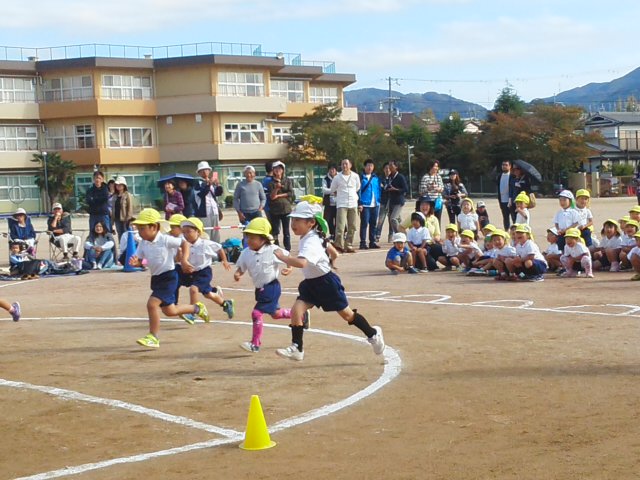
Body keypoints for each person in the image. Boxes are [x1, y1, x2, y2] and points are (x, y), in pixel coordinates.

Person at [272, 201, 386, 361]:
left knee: (347, 315)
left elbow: (302, 263)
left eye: (298, 220)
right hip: (311, 284)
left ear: (311, 222)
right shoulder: (313, 236)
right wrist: (329, 261)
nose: (293, 224)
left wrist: (284, 258)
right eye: (293, 220)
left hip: (326, 284)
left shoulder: (311, 240)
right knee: (297, 310)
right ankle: (297, 348)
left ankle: (373, 334)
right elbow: (334, 253)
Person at [127, 208, 209, 348]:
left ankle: (153, 337)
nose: (139, 231)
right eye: (138, 228)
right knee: (170, 311)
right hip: (156, 279)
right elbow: (141, 261)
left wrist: (183, 260)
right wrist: (137, 263)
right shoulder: (143, 243)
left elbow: (184, 243)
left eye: (142, 228)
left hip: (169, 278)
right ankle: (196, 308)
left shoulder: (165, 239)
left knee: (152, 304)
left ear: (154, 227)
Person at [234, 217, 308, 353]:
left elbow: (288, 257)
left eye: (252, 238)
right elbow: (241, 267)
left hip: (271, 287)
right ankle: (300, 315)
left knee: (256, 313)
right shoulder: (245, 253)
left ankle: (255, 344)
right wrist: (238, 273)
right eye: (247, 237)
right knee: (275, 313)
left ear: (263, 239)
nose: (248, 240)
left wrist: (289, 267)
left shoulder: (272, 250)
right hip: (259, 289)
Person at [178, 217, 235, 323]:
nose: (186, 234)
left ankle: (193, 313)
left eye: (189, 231)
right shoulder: (185, 245)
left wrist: (225, 261)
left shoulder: (205, 244)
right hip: (192, 272)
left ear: (198, 232)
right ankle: (226, 303)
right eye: (184, 232)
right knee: (207, 294)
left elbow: (219, 247)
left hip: (204, 272)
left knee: (193, 289)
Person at [330, 158, 360, 253]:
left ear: (350, 165)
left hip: (353, 203)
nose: (344, 166)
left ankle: (349, 245)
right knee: (340, 226)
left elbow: (357, 187)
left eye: (346, 164)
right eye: (343, 164)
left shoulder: (355, 176)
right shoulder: (337, 177)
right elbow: (332, 189)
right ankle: (338, 245)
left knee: (352, 226)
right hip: (342, 204)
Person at [194, 161, 224, 243]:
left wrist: (218, 185)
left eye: (206, 170)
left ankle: (216, 252)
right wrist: (208, 184)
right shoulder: (197, 182)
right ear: (199, 172)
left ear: (209, 171)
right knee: (206, 233)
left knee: (216, 232)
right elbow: (202, 194)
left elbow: (218, 193)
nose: (204, 172)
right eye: (202, 170)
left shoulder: (212, 182)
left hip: (214, 210)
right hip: (204, 212)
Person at [267, 161, 294, 251]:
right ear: (273, 170)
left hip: (286, 209)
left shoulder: (287, 180)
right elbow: (272, 197)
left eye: (280, 168)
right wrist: (277, 188)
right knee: (275, 230)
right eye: (276, 169)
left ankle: (287, 248)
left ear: (283, 170)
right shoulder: (271, 182)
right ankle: (276, 247)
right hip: (275, 210)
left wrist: (279, 195)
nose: (278, 170)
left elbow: (291, 193)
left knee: (286, 231)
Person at [358, 159, 381, 249]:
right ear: (364, 167)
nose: (370, 167)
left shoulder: (376, 178)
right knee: (364, 223)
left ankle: (372, 241)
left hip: (375, 204)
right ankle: (363, 242)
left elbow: (379, 189)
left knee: (373, 224)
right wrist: (359, 203)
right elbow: (358, 191)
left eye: (371, 165)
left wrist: (379, 200)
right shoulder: (361, 177)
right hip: (365, 204)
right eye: (368, 165)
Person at [387, 160, 408, 239]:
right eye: (389, 165)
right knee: (398, 221)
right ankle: (405, 235)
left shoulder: (400, 177)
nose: (390, 167)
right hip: (391, 201)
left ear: (396, 167)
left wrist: (396, 189)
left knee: (393, 219)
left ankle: (399, 236)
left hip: (399, 201)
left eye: (392, 166)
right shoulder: (390, 177)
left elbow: (406, 189)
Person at [112, 176, 134, 241]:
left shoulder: (127, 195)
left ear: (124, 185)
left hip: (125, 219)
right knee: (120, 235)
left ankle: (127, 250)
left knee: (126, 234)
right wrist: (112, 220)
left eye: (120, 184)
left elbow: (130, 208)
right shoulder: (115, 195)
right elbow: (113, 208)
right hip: (117, 218)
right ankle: (121, 249)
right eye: (117, 185)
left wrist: (128, 219)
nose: (118, 186)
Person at [497, 160, 516, 229]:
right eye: (503, 165)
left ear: (510, 166)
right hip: (502, 200)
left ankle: (515, 231)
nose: (504, 166)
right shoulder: (499, 176)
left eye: (506, 165)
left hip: (511, 200)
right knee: (505, 217)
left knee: (514, 217)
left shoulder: (513, 176)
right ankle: (506, 231)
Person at [375, 162, 392, 243]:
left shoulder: (393, 178)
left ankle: (391, 236)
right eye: (386, 168)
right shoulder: (380, 179)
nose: (387, 170)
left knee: (392, 220)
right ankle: (377, 235)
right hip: (383, 202)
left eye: (389, 168)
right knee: (380, 220)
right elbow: (380, 189)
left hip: (392, 202)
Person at [322, 164, 338, 240]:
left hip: (338, 203)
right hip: (328, 203)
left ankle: (337, 234)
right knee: (328, 219)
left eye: (334, 169)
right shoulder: (325, 179)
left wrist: (331, 191)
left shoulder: (339, 178)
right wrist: (333, 191)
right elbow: (324, 190)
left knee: (339, 219)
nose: (332, 171)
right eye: (331, 169)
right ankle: (332, 234)